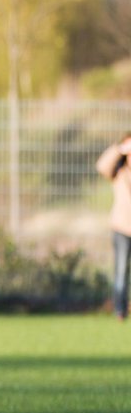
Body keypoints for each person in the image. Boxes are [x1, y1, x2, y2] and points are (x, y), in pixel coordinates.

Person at [96, 132, 131, 320]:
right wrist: (119, 149)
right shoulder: (118, 170)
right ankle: (120, 310)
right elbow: (101, 166)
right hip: (122, 227)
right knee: (121, 271)